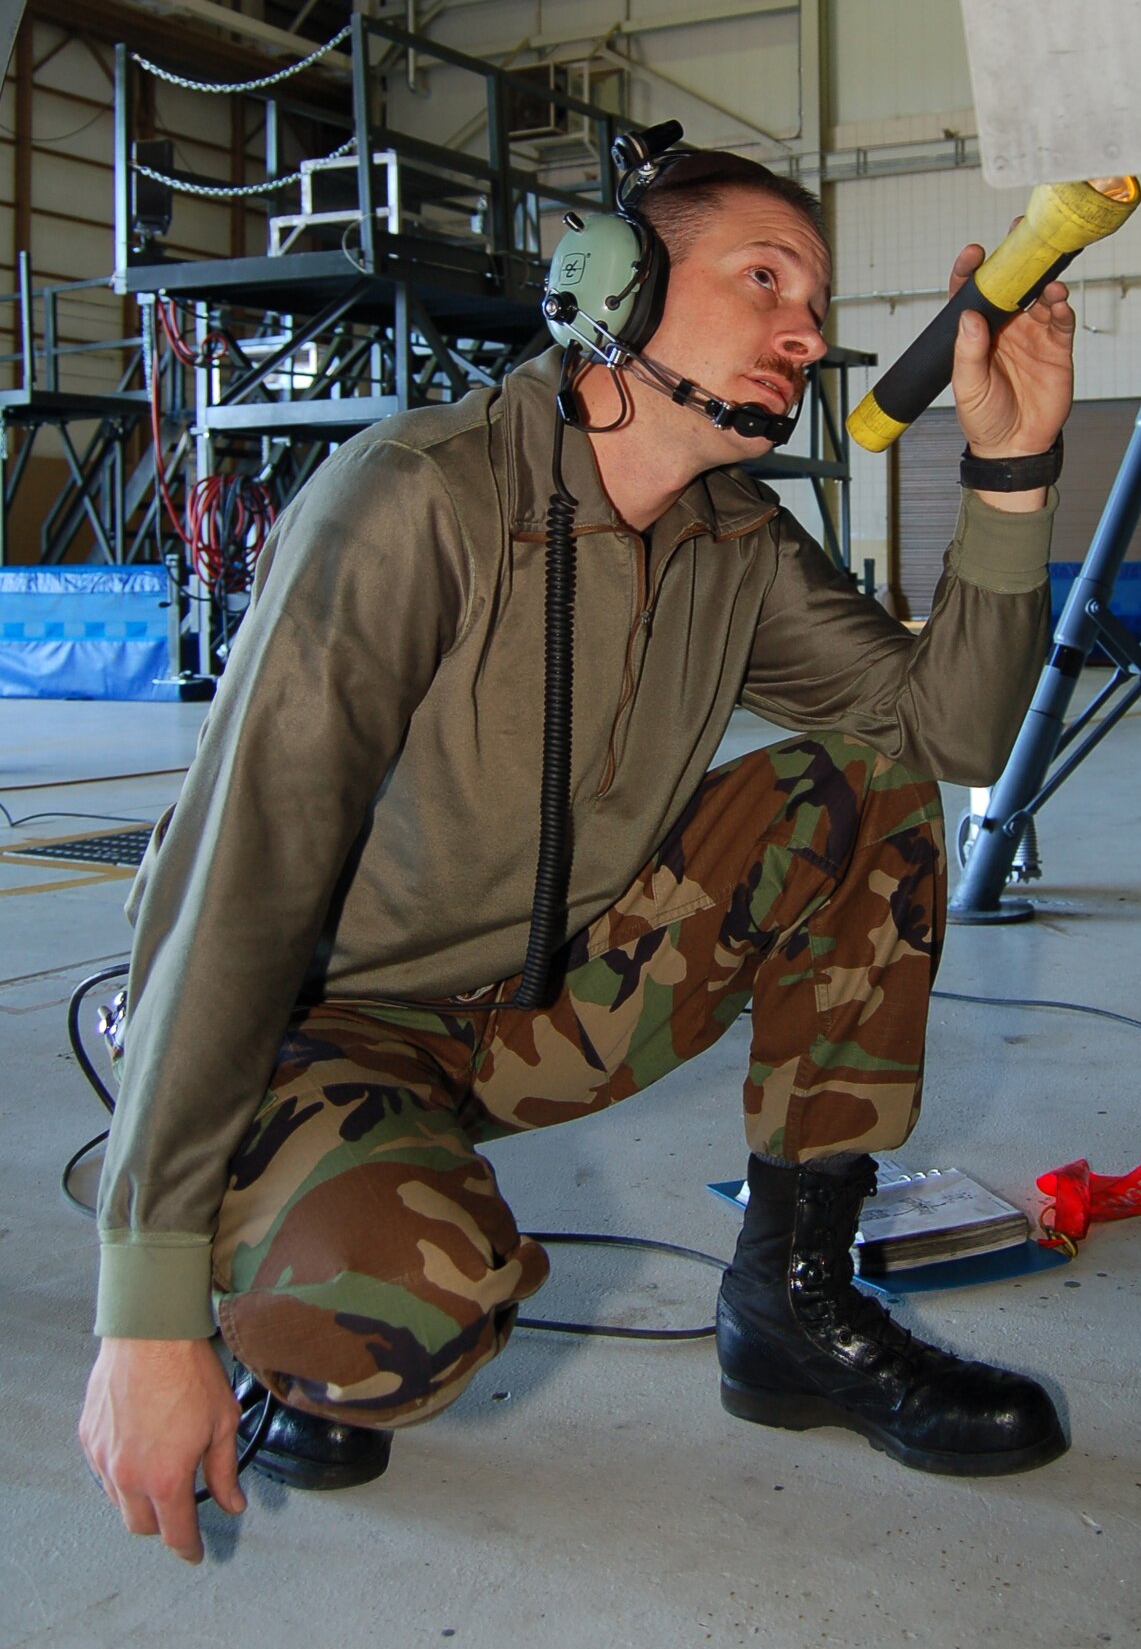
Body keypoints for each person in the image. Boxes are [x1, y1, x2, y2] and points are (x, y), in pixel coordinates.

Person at [80, 148, 1076, 1564]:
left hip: (534, 1002)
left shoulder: (736, 536)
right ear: (613, 287)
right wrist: (150, 1306)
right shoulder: (415, 497)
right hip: (319, 1020)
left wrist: (1014, 468)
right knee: (409, 1309)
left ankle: (792, 1302)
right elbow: (235, 887)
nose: (807, 329)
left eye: (818, 297)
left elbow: (951, 732)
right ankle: (245, 1220)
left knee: (869, 790)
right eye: (764, 279)